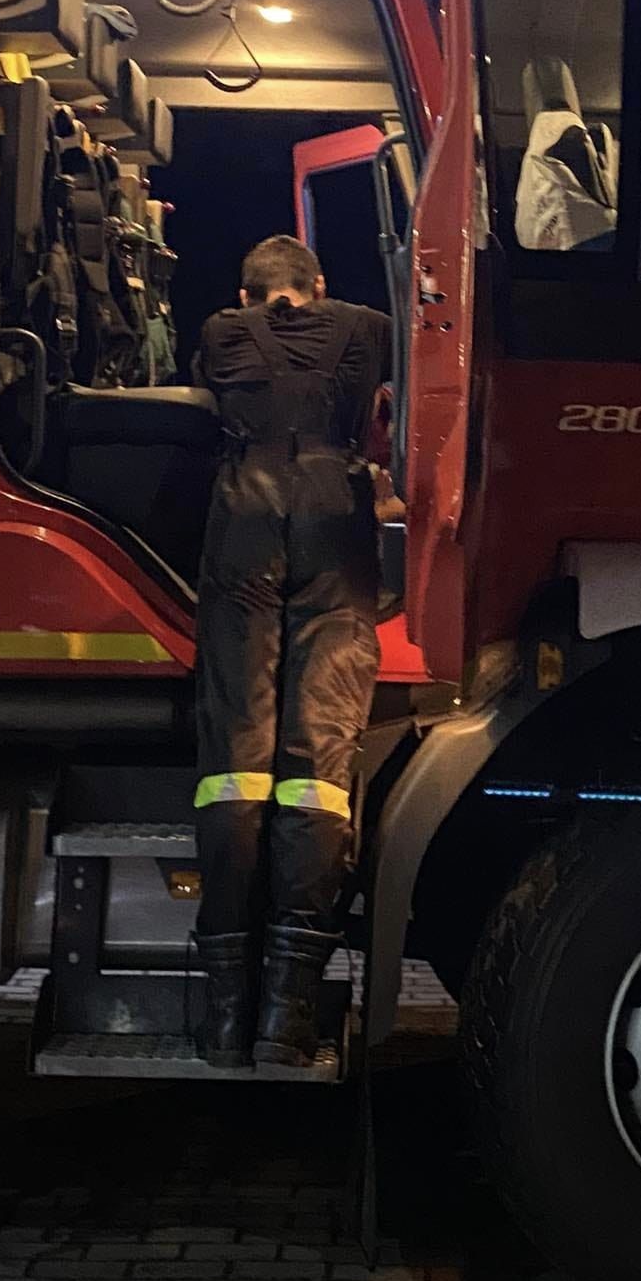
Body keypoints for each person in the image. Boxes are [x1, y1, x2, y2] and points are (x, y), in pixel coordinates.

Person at [190, 233, 392, 1068]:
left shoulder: (221, 332)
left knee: (237, 757)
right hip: (334, 525)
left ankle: (224, 1018)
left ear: (247, 294)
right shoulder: (368, 328)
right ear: (320, 284)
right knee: (319, 760)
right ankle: (287, 1016)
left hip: (244, 526)